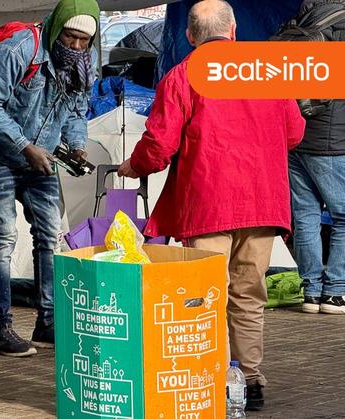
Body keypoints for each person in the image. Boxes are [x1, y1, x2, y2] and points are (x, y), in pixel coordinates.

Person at [117, 0, 306, 411]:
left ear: (189, 36)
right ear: (234, 30)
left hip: (207, 205)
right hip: (262, 204)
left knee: (204, 297)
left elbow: (160, 146)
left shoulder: (182, 76)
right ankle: (250, 381)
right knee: (248, 295)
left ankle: (210, 379)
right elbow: (295, 133)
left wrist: (134, 164)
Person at [0, 0, 98, 356]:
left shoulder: (83, 63)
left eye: (83, 42)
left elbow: (76, 110)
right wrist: (24, 146)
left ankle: (48, 322)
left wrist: (76, 146)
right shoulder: (19, 49)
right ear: (58, 29)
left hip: (42, 159)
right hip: (0, 155)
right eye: (70, 38)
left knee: (49, 237)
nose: (75, 47)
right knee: (3, 238)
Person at [286, 0, 345, 315]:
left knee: (306, 215)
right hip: (333, 142)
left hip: (295, 138)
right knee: (343, 216)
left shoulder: (298, 26)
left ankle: (311, 292)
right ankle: (336, 292)